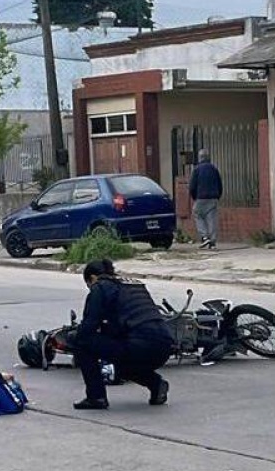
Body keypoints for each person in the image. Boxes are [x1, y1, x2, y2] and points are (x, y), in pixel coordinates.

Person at [72, 259, 173, 410]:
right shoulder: (134, 283)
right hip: (165, 345)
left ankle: (96, 397)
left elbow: (88, 328)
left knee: (81, 342)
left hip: (138, 346)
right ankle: (156, 385)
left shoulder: (100, 287)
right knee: (121, 358)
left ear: (92, 278)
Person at [188, 148, 223, 249]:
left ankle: (204, 236)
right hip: (213, 198)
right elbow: (220, 184)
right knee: (212, 219)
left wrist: (194, 197)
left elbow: (192, 186)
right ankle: (212, 242)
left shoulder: (197, 169)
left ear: (200, 158)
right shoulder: (214, 169)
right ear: (208, 158)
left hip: (201, 197)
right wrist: (218, 196)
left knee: (197, 214)